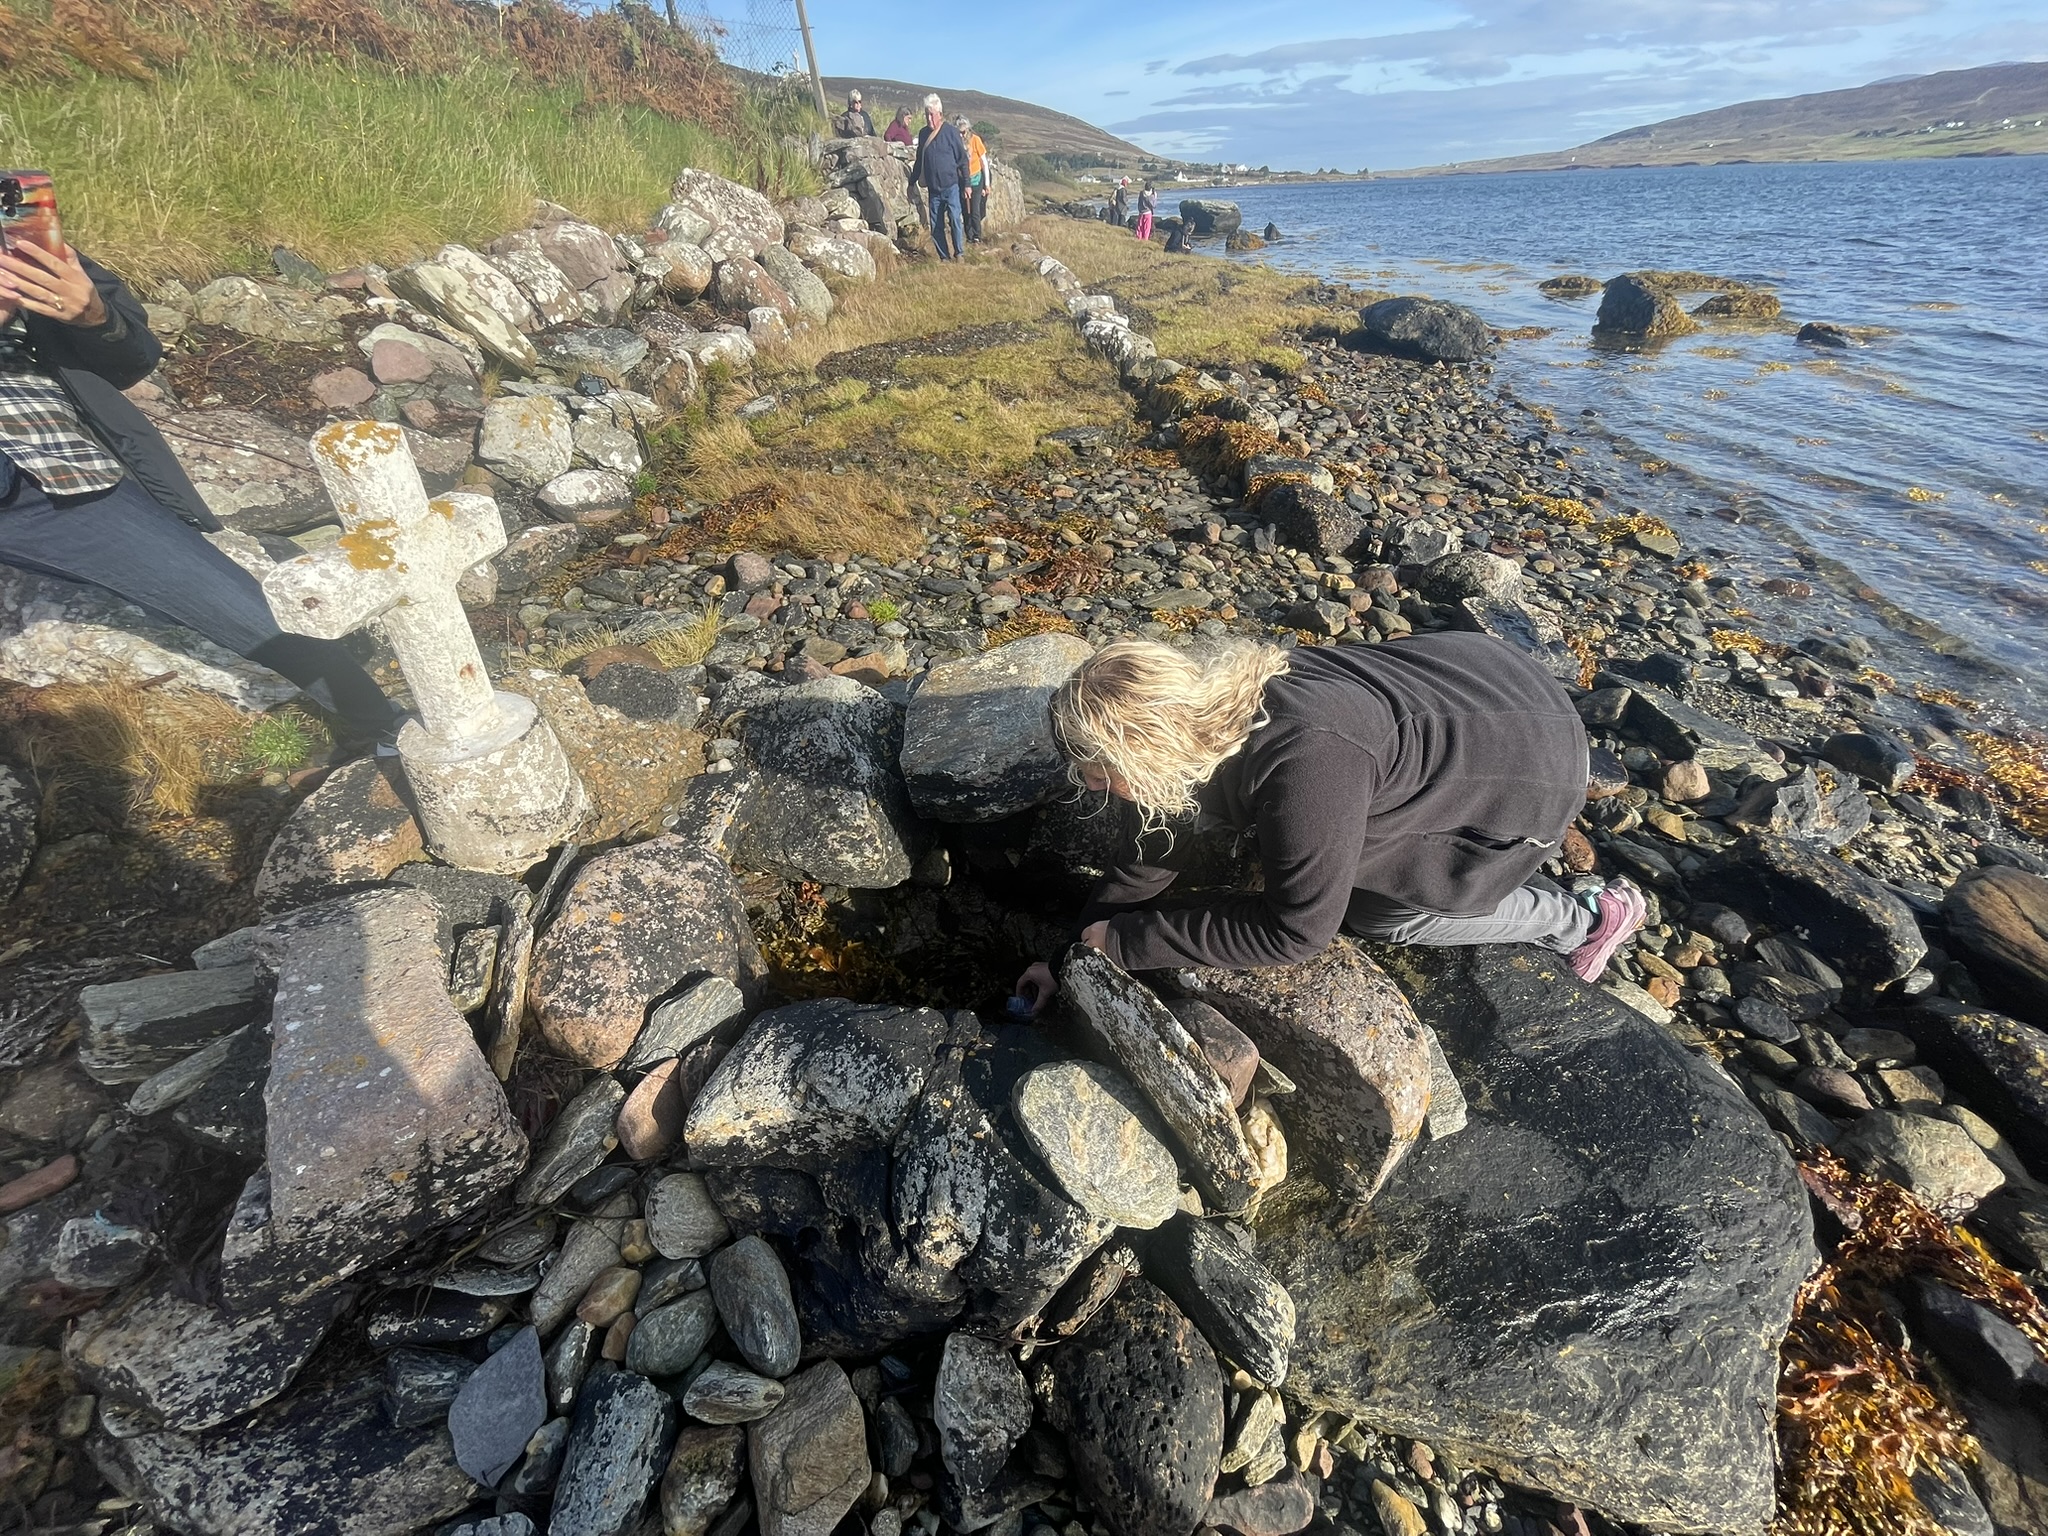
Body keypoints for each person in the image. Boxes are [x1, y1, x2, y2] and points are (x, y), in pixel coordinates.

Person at [1013, 632, 1644, 1010]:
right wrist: (1075, 949)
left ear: (1149, 752)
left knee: (1376, 913)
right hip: (1493, 679)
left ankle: (1584, 919)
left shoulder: (1309, 761)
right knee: (1321, 841)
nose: (1091, 785)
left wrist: (1125, 945)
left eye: (1098, 771)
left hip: (1539, 768)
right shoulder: (1211, 710)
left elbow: (1298, 932)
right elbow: (1150, 850)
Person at [0, 236, 401, 747]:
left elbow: (134, 358)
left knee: (248, 608)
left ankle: (383, 725)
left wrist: (95, 317)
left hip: (65, 476)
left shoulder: (14, 222)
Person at [910, 93, 969, 261]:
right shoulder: (922, 135)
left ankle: (959, 253)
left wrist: (967, 184)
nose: (929, 118)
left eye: (932, 114)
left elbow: (962, 160)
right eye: (926, 114)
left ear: (940, 114)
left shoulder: (951, 132)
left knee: (955, 219)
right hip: (934, 189)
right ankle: (944, 257)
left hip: (951, 186)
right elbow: (919, 159)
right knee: (936, 226)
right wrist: (911, 182)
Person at [960, 117, 989, 244]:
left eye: (963, 132)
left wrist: (987, 184)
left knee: (975, 210)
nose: (962, 135)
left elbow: (984, 162)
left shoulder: (976, 140)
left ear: (968, 129)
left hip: (977, 180)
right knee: (966, 211)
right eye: (959, 132)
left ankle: (977, 237)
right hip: (962, 180)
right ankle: (969, 237)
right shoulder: (957, 142)